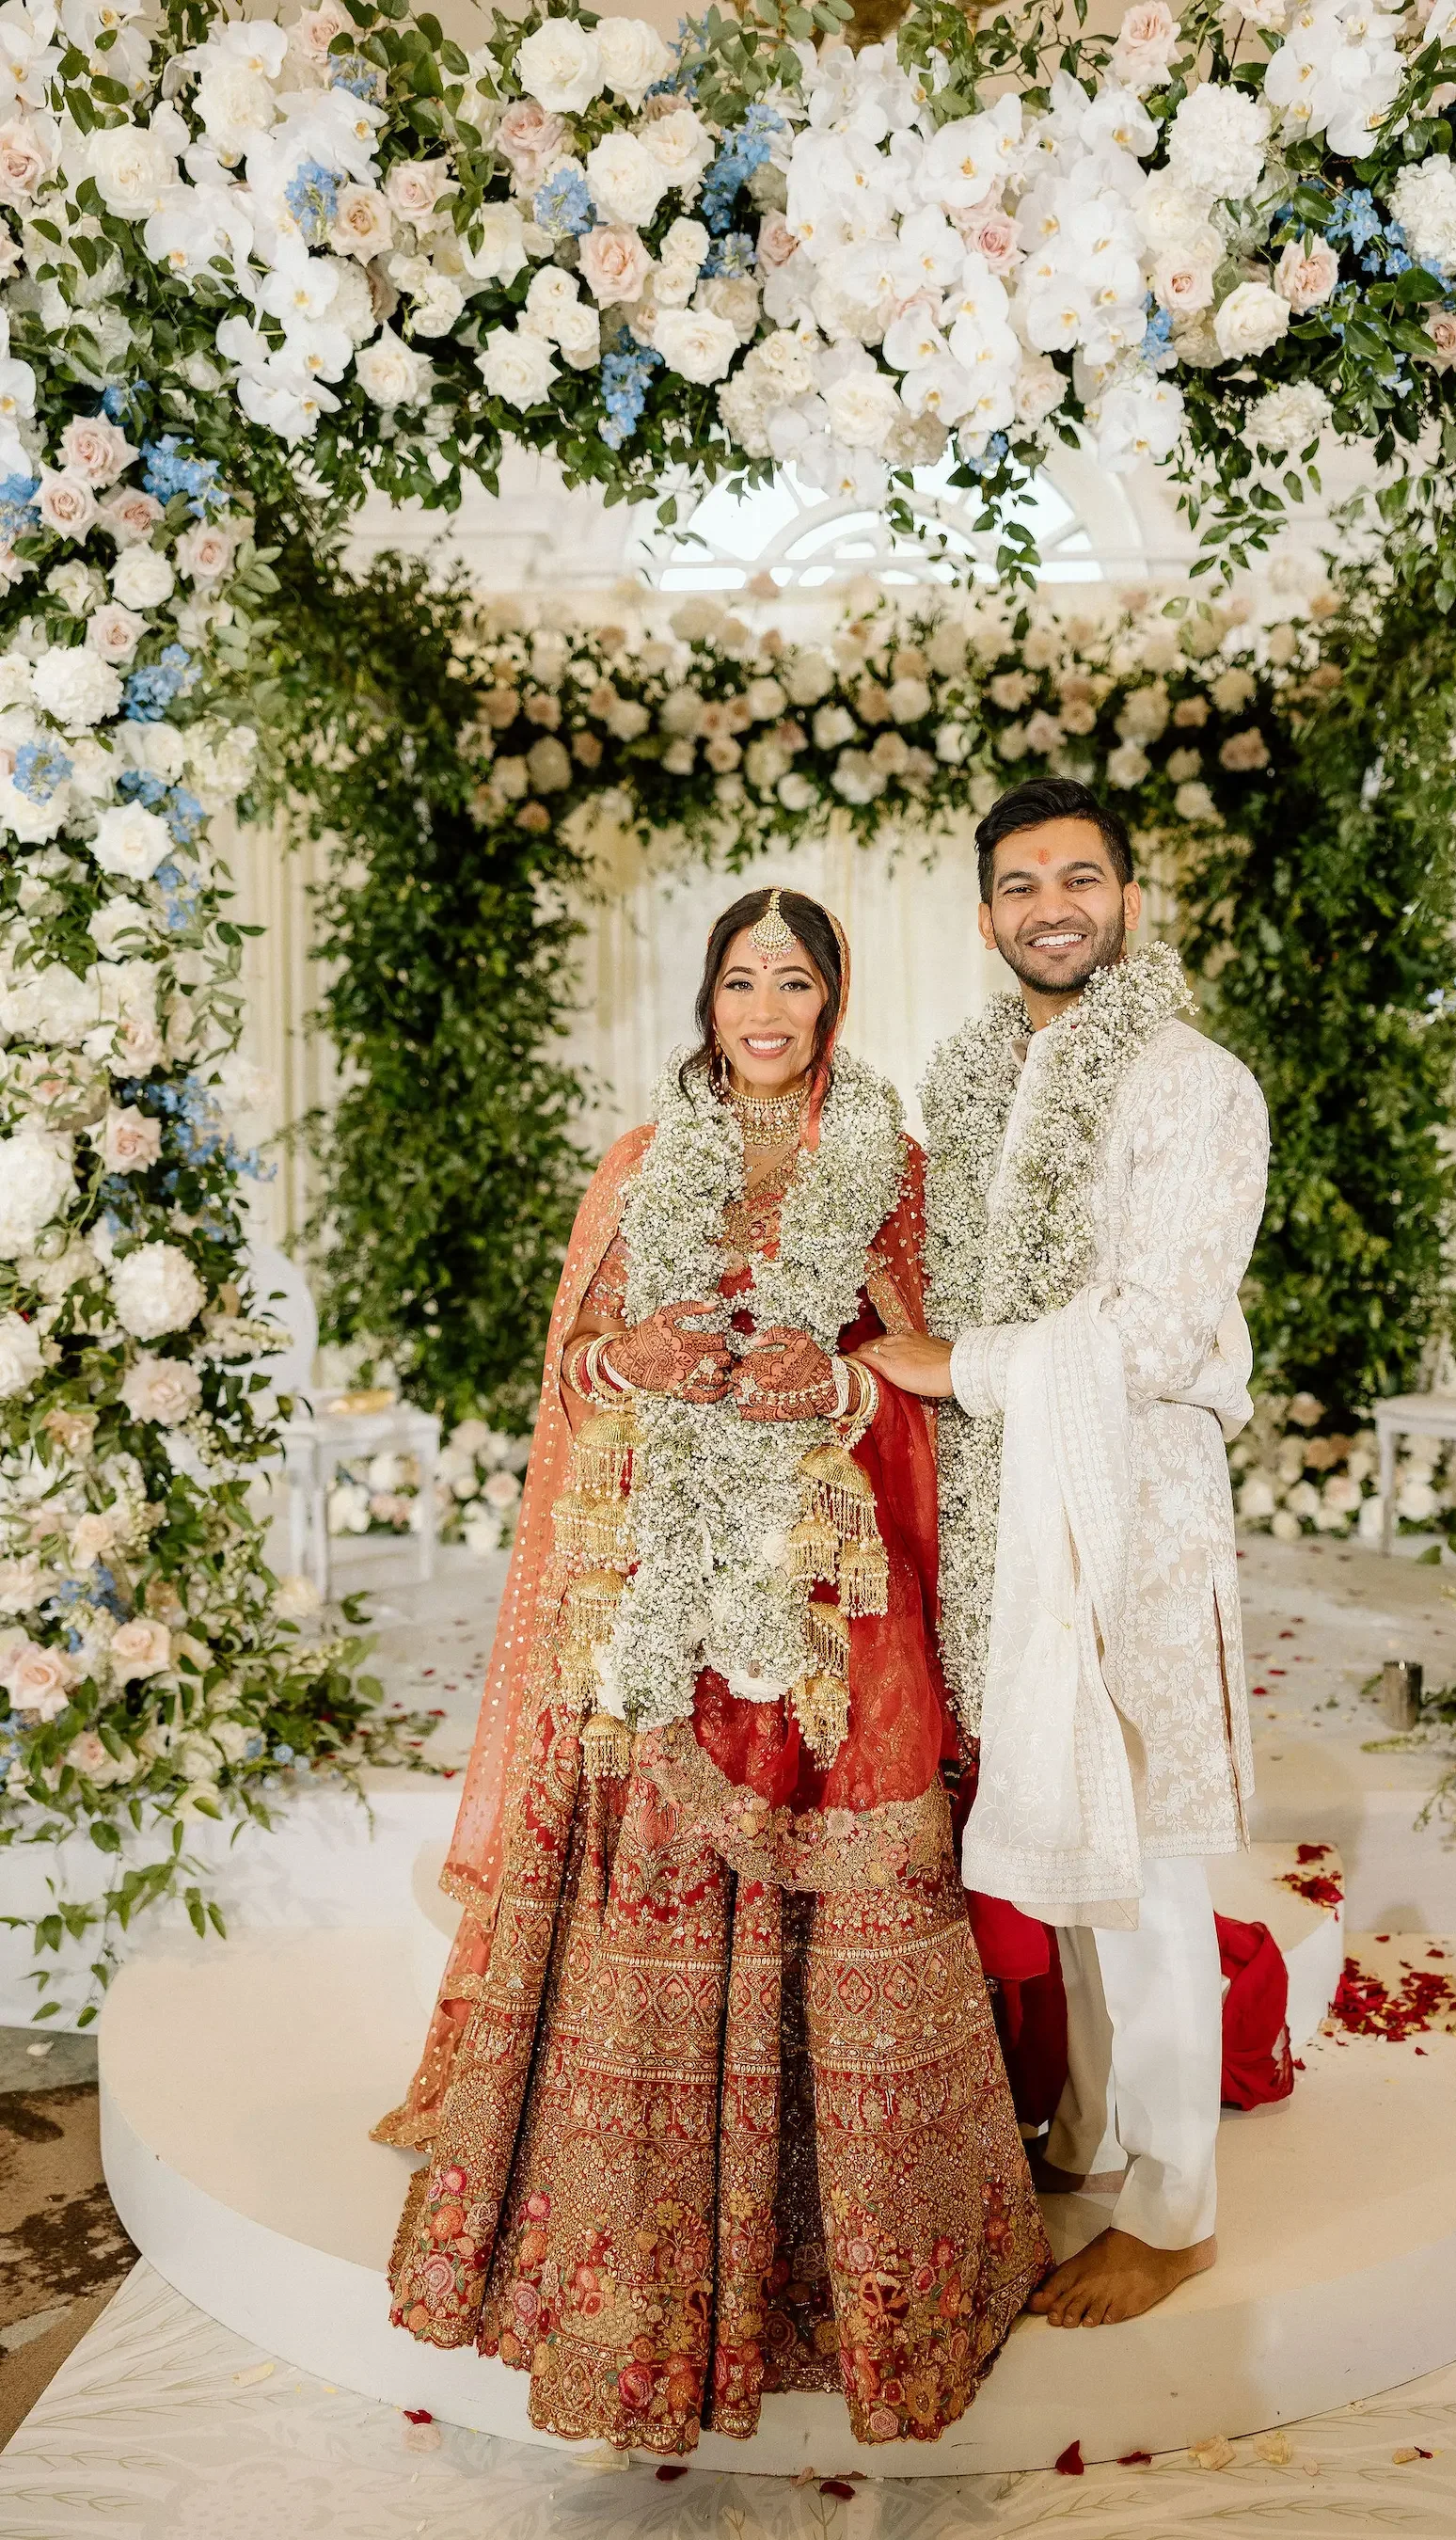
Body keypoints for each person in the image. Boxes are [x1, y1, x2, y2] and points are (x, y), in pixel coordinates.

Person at [374, 886, 1049, 2453]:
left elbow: (945, 1398)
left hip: (832, 1615)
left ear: (833, 999)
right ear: (708, 996)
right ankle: (636, 2257)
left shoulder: (891, 1177)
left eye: (794, 981)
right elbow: (572, 1374)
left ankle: (872, 2266)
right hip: (657, 1616)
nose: (766, 1006)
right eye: (742, 979)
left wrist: (834, 1387)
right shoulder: (639, 1163)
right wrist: (630, 1363)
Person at [862, 777, 1271, 2332]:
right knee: (1056, 1816)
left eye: (1081, 877)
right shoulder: (967, 1081)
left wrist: (955, 1363)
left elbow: (1160, 1327)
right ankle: (1093, 2127)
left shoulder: (1193, 1086)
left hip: (1135, 1509)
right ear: (985, 919)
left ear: (1130, 902)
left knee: (1149, 1853)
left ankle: (1176, 2210)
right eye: (1022, 883)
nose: (1053, 905)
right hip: (996, 1513)